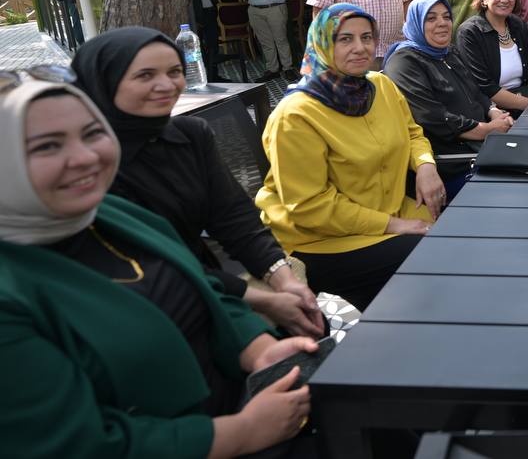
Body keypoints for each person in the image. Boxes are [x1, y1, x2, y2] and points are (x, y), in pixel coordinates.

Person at [1, 75, 315, 457]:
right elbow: (75, 445)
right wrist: (242, 432)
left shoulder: (108, 214)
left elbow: (199, 286)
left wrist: (258, 348)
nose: (85, 157)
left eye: (90, 133)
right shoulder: (12, 289)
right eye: (47, 146)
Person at [70, 27, 324, 338]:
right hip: (141, 299)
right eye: (145, 75)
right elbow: (149, 263)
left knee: (311, 321)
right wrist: (265, 299)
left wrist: (281, 277)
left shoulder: (190, 135)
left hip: (206, 273)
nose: (166, 85)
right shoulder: (86, 165)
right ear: (105, 81)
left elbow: (233, 217)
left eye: (174, 71)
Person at [255, 4, 443, 311]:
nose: (360, 48)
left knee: (461, 242)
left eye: (367, 37)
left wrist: (425, 164)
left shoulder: (379, 85)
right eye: (345, 39)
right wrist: (392, 225)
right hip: (320, 239)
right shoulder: (296, 115)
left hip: (389, 211)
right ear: (322, 43)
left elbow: (411, 132)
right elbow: (310, 207)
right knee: (432, 261)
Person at [384, 0, 515, 201]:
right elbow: (432, 117)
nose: (442, 23)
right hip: (452, 162)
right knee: (516, 191)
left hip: (484, 148)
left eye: (446, 17)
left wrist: (493, 110)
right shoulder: (404, 62)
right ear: (416, 23)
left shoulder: (448, 52)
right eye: (431, 18)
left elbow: (475, 90)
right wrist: (486, 130)